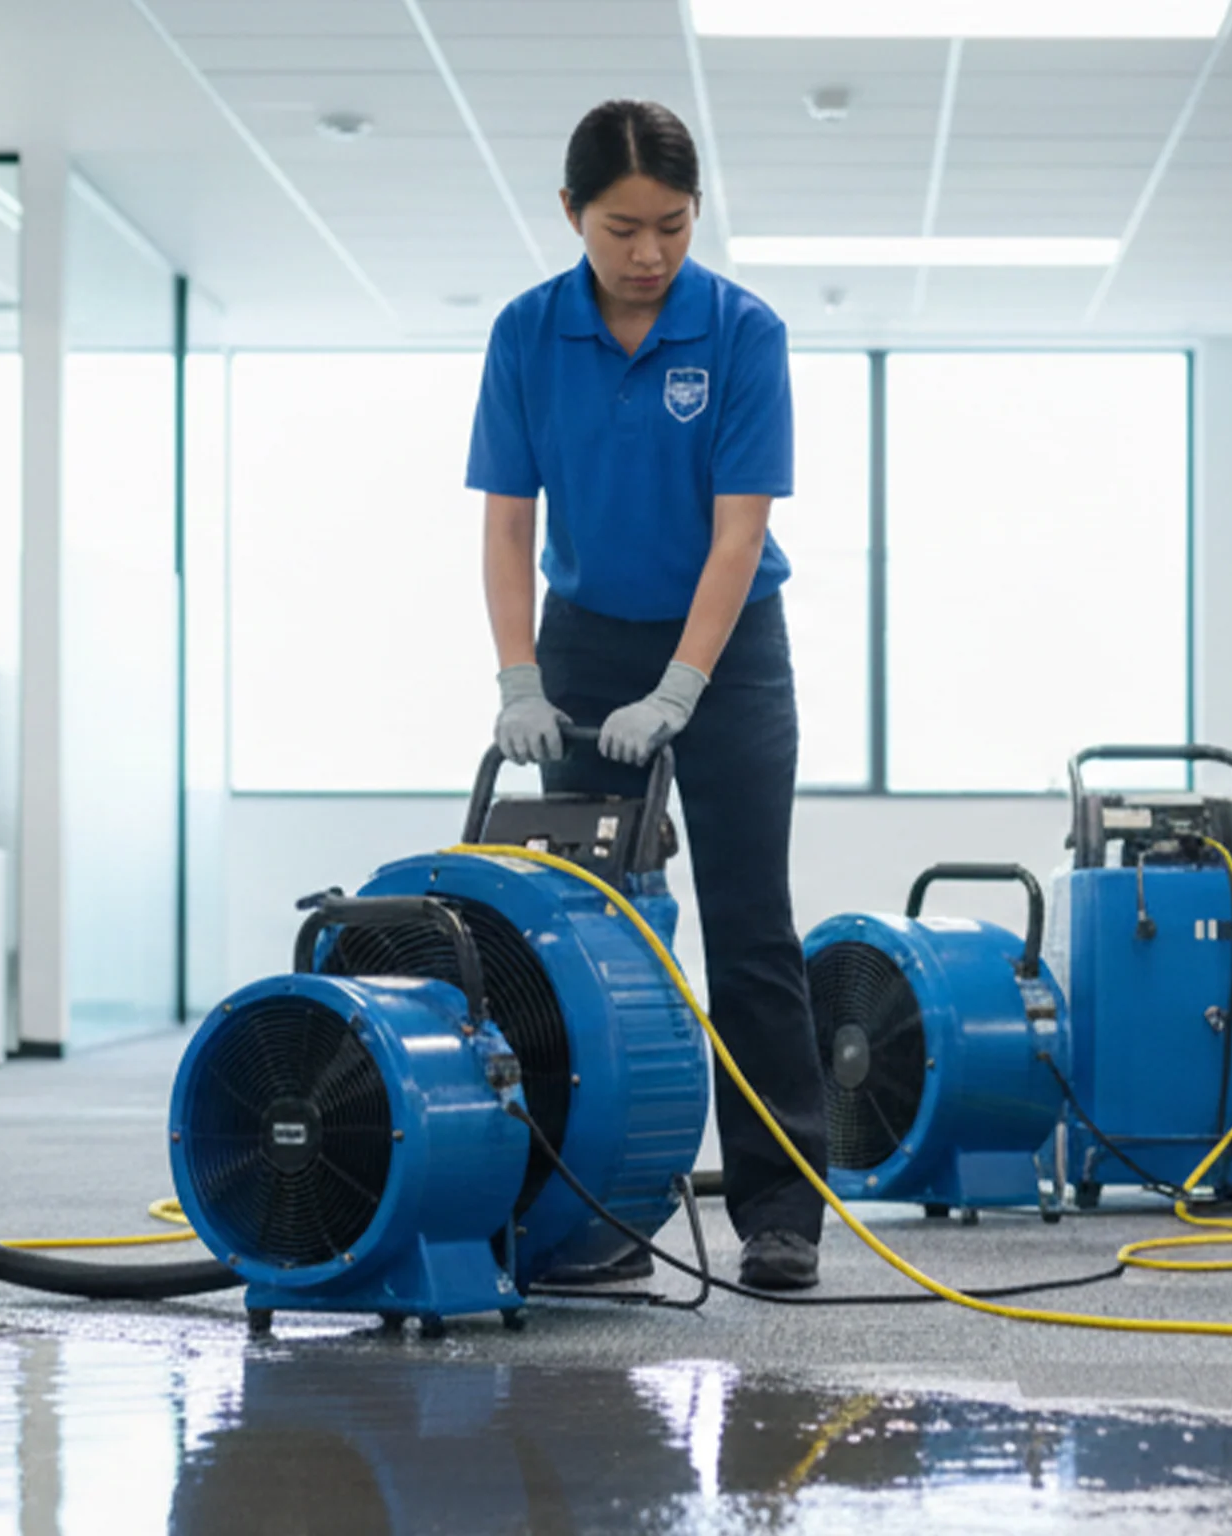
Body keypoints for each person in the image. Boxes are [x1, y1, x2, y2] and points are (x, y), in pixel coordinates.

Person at [467, 98, 828, 1290]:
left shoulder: (741, 332)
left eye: (672, 226)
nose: (649, 254)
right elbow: (510, 523)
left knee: (748, 921)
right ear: (570, 212)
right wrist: (521, 677)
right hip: (584, 643)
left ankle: (779, 1214)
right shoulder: (527, 335)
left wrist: (682, 687)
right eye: (623, 227)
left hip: (727, 650)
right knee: (581, 928)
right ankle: (593, 1211)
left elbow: (738, 535)